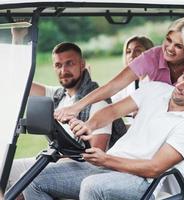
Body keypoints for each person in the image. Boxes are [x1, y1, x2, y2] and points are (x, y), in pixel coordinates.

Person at [23, 63, 184, 200]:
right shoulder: (155, 90)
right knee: (34, 179)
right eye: (182, 77)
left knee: (93, 186)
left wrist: (106, 160)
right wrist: (89, 126)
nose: (179, 85)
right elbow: (112, 110)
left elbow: (154, 169)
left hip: (146, 181)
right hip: (111, 166)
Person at [54, 17, 184, 123]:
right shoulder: (152, 56)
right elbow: (112, 87)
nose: (169, 49)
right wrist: (76, 107)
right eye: (168, 40)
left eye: (178, 46)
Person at [7, 42, 112, 190]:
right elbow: (20, 80)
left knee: (27, 180)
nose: (63, 70)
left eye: (69, 63)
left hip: (80, 168)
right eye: (58, 65)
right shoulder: (57, 95)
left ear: (82, 65)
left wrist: (52, 160)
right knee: (3, 168)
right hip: (51, 159)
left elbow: (94, 158)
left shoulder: (98, 103)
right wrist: (17, 37)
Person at [111, 35, 154, 103]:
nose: (132, 55)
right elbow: (112, 101)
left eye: (138, 50)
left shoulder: (156, 80)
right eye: (128, 51)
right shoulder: (124, 82)